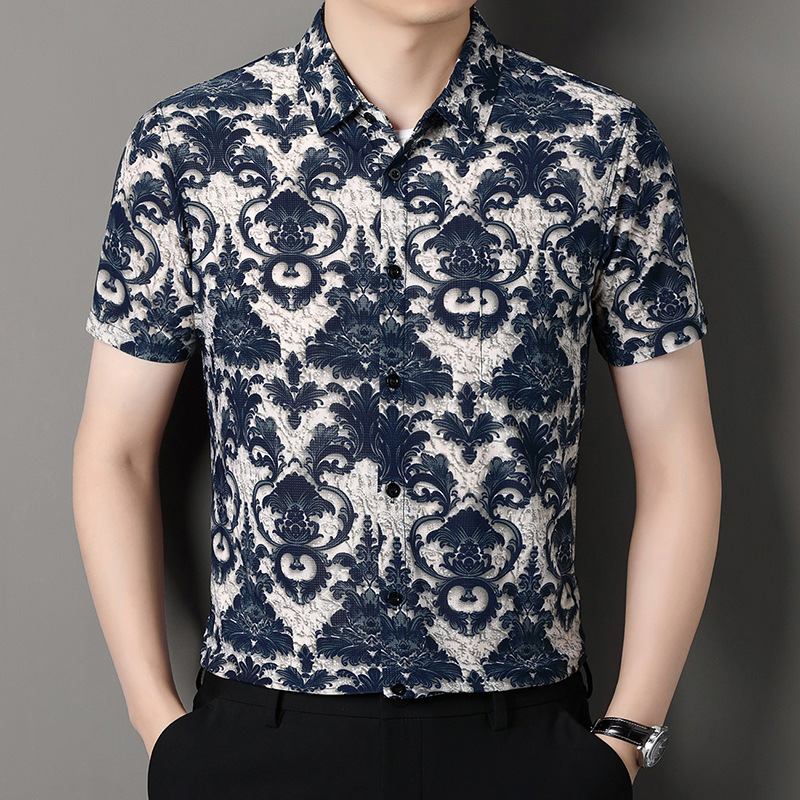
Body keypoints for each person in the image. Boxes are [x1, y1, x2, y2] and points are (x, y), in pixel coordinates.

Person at [73, 1, 721, 798]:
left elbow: (678, 456)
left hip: (521, 740)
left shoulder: (603, 142)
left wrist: (626, 737)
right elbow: (116, 450)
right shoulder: (188, 144)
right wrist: (157, 724)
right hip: (260, 735)